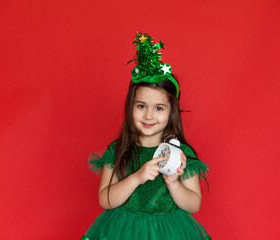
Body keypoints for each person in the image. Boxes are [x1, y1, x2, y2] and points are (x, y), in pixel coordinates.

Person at [81, 32, 211, 240]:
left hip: (169, 233)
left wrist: (173, 183)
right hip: (123, 232)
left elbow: (194, 205)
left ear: (171, 112)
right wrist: (137, 177)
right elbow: (105, 200)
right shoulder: (119, 149)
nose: (149, 115)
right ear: (130, 106)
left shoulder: (181, 154)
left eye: (159, 108)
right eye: (141, 106)